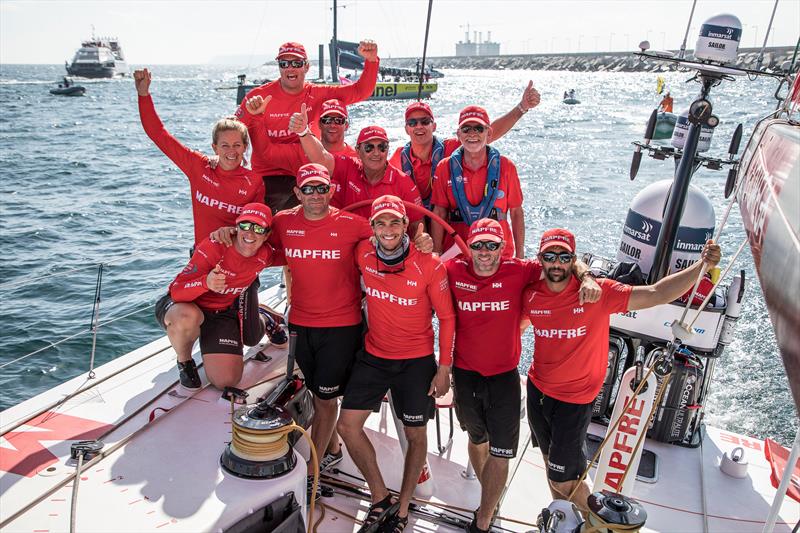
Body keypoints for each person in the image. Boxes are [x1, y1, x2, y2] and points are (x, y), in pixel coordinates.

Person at [209, 166, 434, 487]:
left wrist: (420, 240)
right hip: (301, 324)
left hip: (341, 328)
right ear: (297, 192)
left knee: (327, 401)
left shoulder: (352, 225)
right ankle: (333, 447)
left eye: (321, 188)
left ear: (331, 190)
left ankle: (312, 474)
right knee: (316, 393)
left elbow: (391, 239)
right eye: (308, 189)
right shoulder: (284, 221)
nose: (315, 195)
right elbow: (254, 234)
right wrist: (228, 233)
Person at [521, 228, 721, 512]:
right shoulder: (531, 295)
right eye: (549, 256)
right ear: (540, 259)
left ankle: (603, 526)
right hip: (537, 392)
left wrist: (702, 267)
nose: (556, 263)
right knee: (553, 464)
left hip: (574, 400)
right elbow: (511, 324)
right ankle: (563, 521)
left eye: (563, 256)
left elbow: (657, 292)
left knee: (563, 480)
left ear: (573, 259)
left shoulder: (597, 294)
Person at [447, 219, 601, 533]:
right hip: (464, 375)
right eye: (478, 245)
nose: (485, 252)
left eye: (492, 245)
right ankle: (490, 495)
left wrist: (587, 276)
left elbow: (561, 260)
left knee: (501, 450)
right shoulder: (453, 270)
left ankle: (484, 518)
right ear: (469, 248)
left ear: (503, 248)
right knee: (477, 441)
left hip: (504, 377)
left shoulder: (519, 270)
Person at [337, 195, 454, 533]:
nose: (387, 229)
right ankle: (379, 497)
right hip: (374, 356)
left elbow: (446, 317)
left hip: (416, 361)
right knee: (347, 427)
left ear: (407, 225)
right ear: (372, 228)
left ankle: (402, 509)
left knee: (416, 435)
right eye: (380, 223)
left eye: (394, 222)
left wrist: (444, 367)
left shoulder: (430, 264)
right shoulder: (363, 253)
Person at [235, 40, 379, 215]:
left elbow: (360, 91)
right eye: (284, 63)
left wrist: (371, 61)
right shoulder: (258, 96)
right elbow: (234, 131)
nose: (290, 68)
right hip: (268, 176)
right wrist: (219, 159)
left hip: (307, 174)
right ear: (279, 67)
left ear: (307, 67)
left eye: (296, 63)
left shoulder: (318, 94)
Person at [155, 204, 283, 390]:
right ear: (236, 227)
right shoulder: (215, 246)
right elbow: (176, 290)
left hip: (221, 312)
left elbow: (294, 254)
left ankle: (262, 314)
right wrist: (205, 283)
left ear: (267, 235)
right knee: (188, 317)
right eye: (245, 226)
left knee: (226, 381)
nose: (250, 233)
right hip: (185, 305)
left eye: (258, 228)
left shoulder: (265, 254)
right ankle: (185, 361)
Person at [134, 68, 265, 246]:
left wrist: (233, 230)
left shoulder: (254, 182)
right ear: (215, 148)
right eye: (225, 146)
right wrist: (143, 95)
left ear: (245, 147)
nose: (231, 151)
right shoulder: (198, 166)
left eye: (237, 145)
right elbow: (159, 134)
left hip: (238, 264)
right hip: (203, 260)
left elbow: (258, 225)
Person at [389, 82, 541, 207]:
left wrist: (522, 107)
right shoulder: (398, 157)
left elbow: (490, 134)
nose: (419, 126)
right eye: (412, 122)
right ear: (406, 129)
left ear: (434, 126)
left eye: (425, 121)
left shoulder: (451, 148)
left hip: (445, 225)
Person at [286, 108, 425, 233]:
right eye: (369, 147)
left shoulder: (403, 182)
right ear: (358, 151)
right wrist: (303, 132)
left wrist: (422, 242)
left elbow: (418, 226)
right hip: (349, 241)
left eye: (382, 147)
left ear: (388, 150)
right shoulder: (348, 167)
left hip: (386, 248)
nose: (376, 153)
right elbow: (321, 158)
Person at [431, 105, 524, 259]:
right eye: (466, 129)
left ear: (489, 133)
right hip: (458, 255)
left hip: (499, 255)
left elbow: (516, 212)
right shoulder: (444, 167)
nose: (472, 134)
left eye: (479, 128)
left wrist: (520, 256)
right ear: (458, 134)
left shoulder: (506, 167)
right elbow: (439, 213)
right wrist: (437, 253)